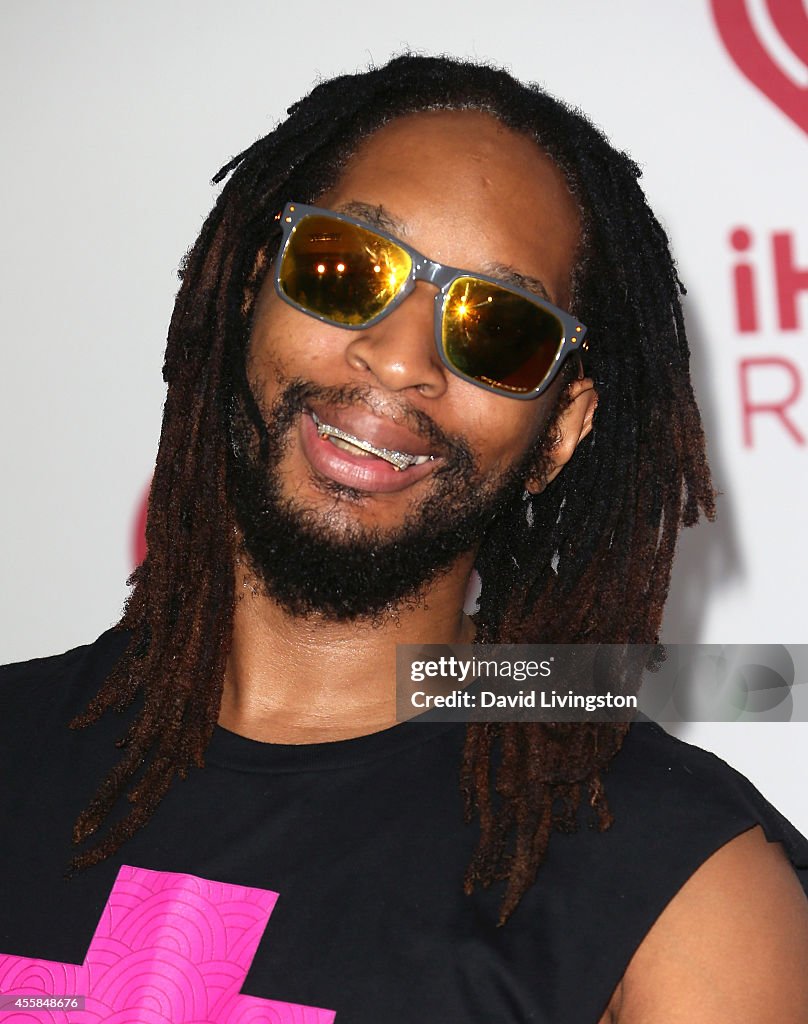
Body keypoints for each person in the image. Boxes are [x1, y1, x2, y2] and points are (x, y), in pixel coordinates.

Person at [1, 55, 807, 1024]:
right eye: (347, 269)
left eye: (499, 328)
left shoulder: (686, 888)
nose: (399, 356)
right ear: (253, 289)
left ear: (560, 429)